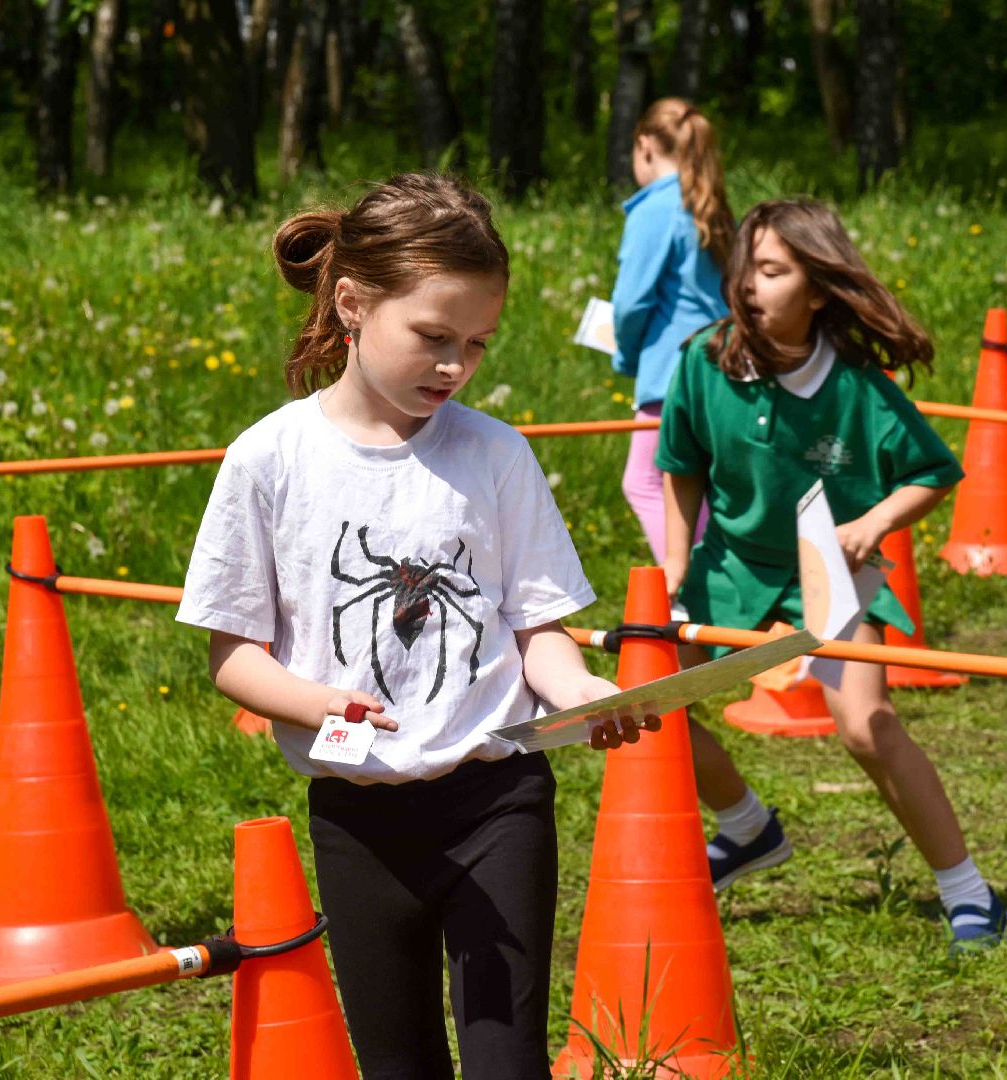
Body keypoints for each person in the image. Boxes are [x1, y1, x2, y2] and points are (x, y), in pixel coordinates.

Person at [177, 173, 655, 1079]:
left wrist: (582, 690)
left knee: (507, 1060)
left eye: (476, 345)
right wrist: (320, 701)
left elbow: (537, 626)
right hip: (358, 817)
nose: (455, 366)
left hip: (500, 799)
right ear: (353, 304)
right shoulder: (269, 460)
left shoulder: (496, 454)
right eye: (434, 337)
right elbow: (234, 656)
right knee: (399, 1065)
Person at [655, 199, 1007, 953]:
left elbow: (933, 472)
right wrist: (678, 566)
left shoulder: (857, 386)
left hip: (829, 571)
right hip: (730, 567)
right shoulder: (702, 360)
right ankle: (747, 828)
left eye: (773, 271)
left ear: (817, 290)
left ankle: (969, 893)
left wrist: (873, 524)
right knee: (652, 703)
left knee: (866, 725)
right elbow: (681, 471)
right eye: (744, 267)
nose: (750, 284)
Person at [610, 97, 733, 562]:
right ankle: (713, 592)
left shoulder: (655, 207)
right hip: (718, 368)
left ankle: (697, 593)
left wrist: (625, 355)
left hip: (671, 375)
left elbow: (631, 302)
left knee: (643, 482)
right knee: (694, 487)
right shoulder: (708, 204)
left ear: (644, 146)